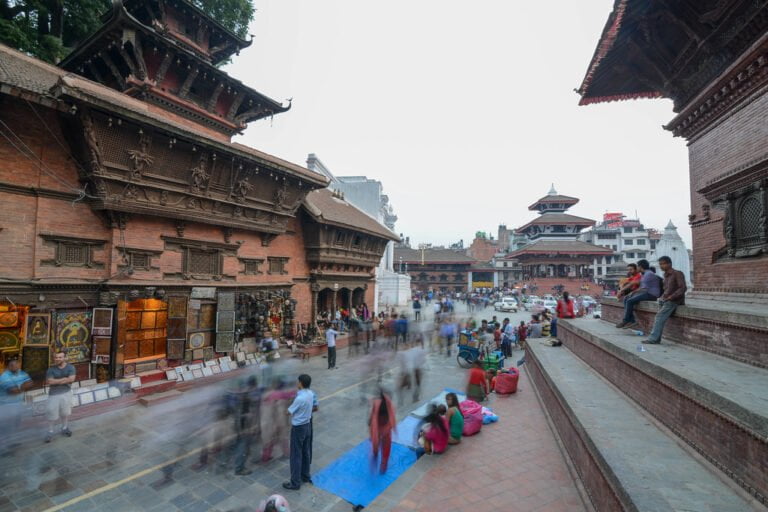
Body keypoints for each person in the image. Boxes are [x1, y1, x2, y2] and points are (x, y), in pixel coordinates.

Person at [643, 256, 687, 345]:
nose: (661, 266)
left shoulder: (677, 273)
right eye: (660, 264)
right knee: (658, 317)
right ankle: (656, 338)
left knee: (659, 317)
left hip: (675, 300)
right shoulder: (665, 276)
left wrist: (671, 297)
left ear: (669, 264)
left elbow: (682, 288)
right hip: (665, 300)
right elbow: (666, 289)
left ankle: (653, 339)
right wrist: (663, 297)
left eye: (663, 264)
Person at [283, 374, 314, 491]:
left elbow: (288, 412)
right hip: (307, 425)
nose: (297, 383)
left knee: (296, 454)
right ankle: (305, 475)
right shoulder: (310, 394)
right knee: (305, 451)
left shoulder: (300, 398)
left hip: (298, 428)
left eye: (298, 381)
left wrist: (287, 405)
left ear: (301, 383)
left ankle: (295, 482)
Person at [616, 259, 662, 329]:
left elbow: (642, 288)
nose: (637, 268)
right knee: (626, 298)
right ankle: (632, 321)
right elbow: (640, 286)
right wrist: (631, 293)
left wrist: (632, 293)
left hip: (651, 294)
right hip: (647, 292)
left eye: (637, 266)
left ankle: (626, 320)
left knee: (629, 301)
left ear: (640, 267)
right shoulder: (645, 274)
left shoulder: (648, 274)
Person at [1, 358, 32, 451]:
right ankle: (3, 447)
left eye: (18, 364)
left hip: (17, 404)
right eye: (15, 365)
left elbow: (30, 383)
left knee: (15, 424)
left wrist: (20, 388)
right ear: (10, 366)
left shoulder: (21, 372)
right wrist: (22, 386)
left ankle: (9, 443)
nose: (18, 366)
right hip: (5, 406)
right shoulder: (4, 376)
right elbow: (13, 391)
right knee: (5, 426)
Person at [45, 351, 76, 442]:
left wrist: (57, 381)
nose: (57, 359)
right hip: (53, 394)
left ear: (64, 358)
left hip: (66, 393)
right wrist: (64, 379)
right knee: (51, 413)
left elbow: (71, 379)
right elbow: (49, 382)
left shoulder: (71, 367)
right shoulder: (51, 369)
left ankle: (64, 428)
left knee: (65, 413)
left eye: (60, 357)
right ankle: (50, 431)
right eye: (56, 357)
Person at [369, 389, 396, 474]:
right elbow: (372, 415)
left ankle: (383, 464)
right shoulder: (376, 404)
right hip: (377, 425)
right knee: (376, 442)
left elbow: (392, 419)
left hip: (385, 428)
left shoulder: (390, 408)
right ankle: (376, 452)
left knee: (386, 446)